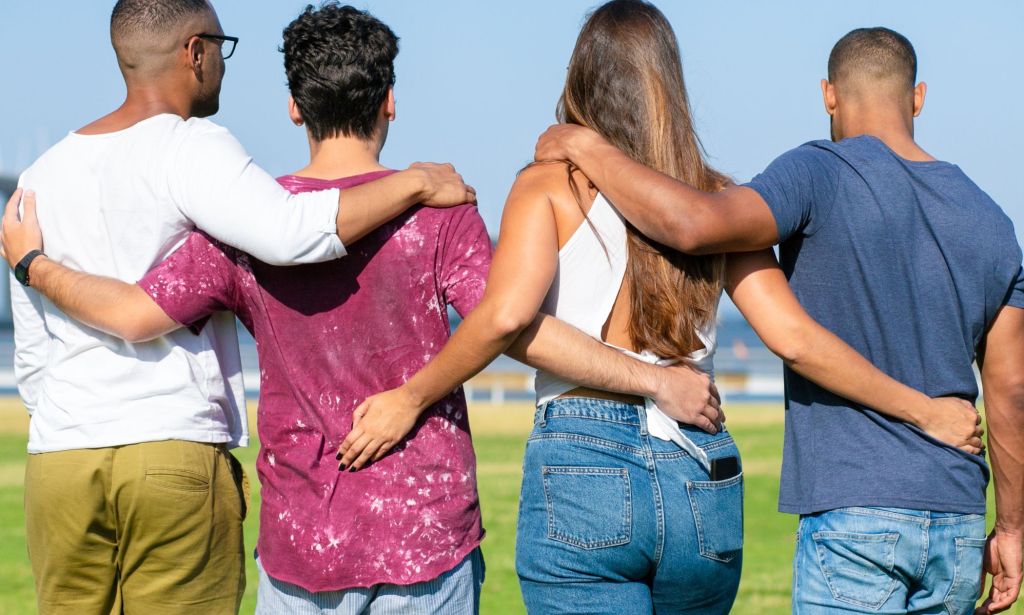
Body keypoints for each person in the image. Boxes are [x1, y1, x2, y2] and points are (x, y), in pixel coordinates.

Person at [327, 4, 981, 613]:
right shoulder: (715, 197)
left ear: (582, 78)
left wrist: (410, 398)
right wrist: (923, 409)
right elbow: (796, 339)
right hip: (700, 465)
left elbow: (504, 318)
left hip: (582, 459)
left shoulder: (546, 186)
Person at [533, 24, 1024, 615]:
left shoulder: (816, 172)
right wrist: (1012, 528)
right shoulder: (993, 222)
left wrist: (585, 145)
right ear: (917, 98)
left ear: (828, 95)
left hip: (854, 512)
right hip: (960, 518)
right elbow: (1010, 391)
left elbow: (695, 225)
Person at [7, 0, 472, 613]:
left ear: (296, 107)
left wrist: (33, 266)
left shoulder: (40, 174)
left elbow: (36, 353)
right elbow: (288, 232)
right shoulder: (193, 147)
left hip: (60, 455)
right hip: (170, 444)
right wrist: (415, 182)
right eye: (222, 49)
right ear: (195, 52)